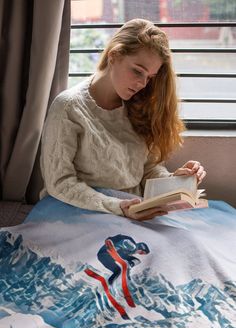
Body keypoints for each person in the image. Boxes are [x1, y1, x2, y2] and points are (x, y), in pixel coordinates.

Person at [40, 18, 206, 221]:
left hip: (133, 210)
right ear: (114, 56)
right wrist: (118, 207)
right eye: (137, 71)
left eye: (150, 77)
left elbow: (146, 169)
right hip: (81, 211)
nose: (142, 84)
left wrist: (174, 182)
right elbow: (59, 182)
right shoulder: (68, 107)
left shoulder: (139, 105)